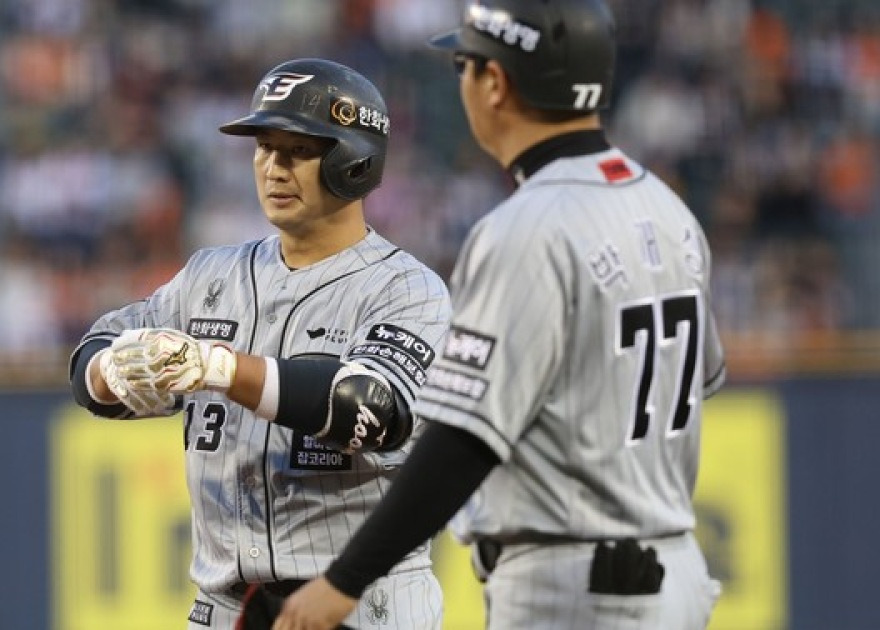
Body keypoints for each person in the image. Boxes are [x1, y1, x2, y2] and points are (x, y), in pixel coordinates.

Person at [275, 1, 727, 629]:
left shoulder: (526, 226)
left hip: (574, 585)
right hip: (673, 575)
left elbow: (463, 440)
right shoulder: (667, 208)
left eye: (465, 64)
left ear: (495, 82)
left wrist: (343, 580)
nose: (461, 80)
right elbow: (699, 378)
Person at [67, 58, 451, 629]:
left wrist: (219, 368)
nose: (273, 168)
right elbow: (93, 359)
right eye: (265, 148)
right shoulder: (211, 275)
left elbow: (371, 409)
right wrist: (112, 370)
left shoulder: (406, 289)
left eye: (297, 151)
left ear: (354, 161)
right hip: (228, 607)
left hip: (359, 605)